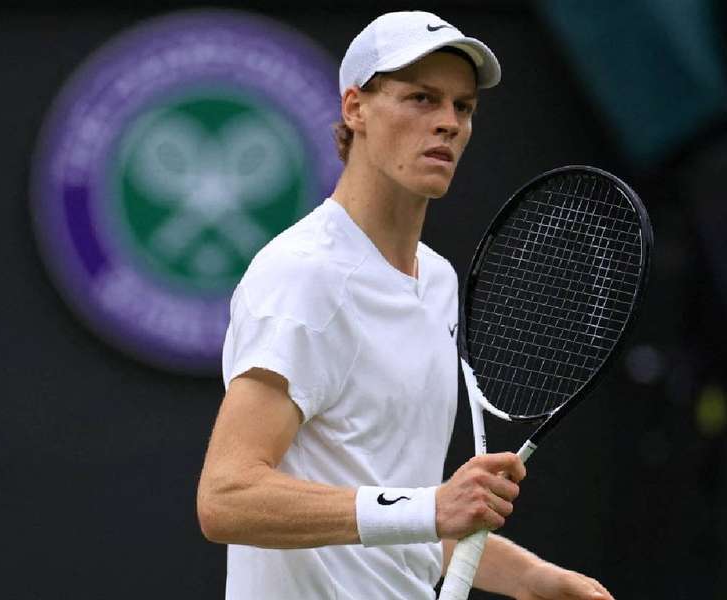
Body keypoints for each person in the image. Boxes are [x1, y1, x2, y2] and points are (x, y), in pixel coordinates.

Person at [197, 10, 614, 600]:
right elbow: (226, 498)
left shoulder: (437, 281)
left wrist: (537, 581)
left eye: (462, 107)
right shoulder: (303, 276)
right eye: (421, 98)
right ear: (355, 109)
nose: (447, 123)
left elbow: (404, 516)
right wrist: (430, 505)